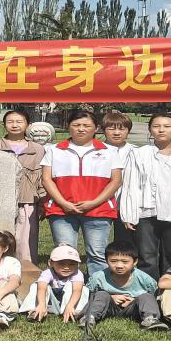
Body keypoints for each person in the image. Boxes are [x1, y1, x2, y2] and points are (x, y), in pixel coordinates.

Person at [119, 113, 171, 279]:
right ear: (150, 130)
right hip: (146, 212)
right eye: (156, 126)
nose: (161, 130)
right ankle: (148, 288)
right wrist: (128, 213)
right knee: (146, 255)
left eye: (167, 126)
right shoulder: (139, 154)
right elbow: (131, 184)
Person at [41, 110, 124, 276]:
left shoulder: (110, 151)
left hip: (99, 210)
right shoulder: (54, 150)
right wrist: (63, 203)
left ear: (96, 128)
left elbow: (116, 181)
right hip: (61, 209)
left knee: (97, 254)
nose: (81, 129)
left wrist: (94, 203)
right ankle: (67, 286)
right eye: (76, 125)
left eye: (86, 125)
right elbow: (46, 179)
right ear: (68, 126)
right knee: (65, 253)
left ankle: (97, 288)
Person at [0, 109, 45, 264]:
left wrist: (43, 201)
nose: (15, 125)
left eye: (19, 122)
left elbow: (43, 178)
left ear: (28, 125)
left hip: (27, 201)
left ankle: (26, 270)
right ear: (4, 124)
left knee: (25, 242)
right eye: (10, 122)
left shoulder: (38, 149)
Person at [83, 241, 167, 331]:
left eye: (125, 262)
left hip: (135, 309)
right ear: (106, 260)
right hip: (108, 309)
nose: (119, 266)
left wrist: (135, 300)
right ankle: (89, 317)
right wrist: (111, 298)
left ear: (135, 262)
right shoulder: (98, 277)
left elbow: (154, 296)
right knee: (101, 294)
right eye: (113, 261)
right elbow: (87, 294)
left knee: (146, 296)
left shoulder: (144, 279)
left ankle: (150, 319)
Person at [19, 244, 88, 323]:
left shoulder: (77, 274)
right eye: (61, 263)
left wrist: (70, 306)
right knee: (36, 286)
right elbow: (42, 288)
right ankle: (35, 310)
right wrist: (41, 304)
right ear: (50, 263)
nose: (67, 267)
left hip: (70, 303)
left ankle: (75, 311)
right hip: (51, 303)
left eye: (72, 264)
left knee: (81, 288)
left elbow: (77, 291)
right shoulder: (48, 272)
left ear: (78, 265)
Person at [101, 110, 137, 245]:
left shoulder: (136, 151)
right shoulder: (96, 150)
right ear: (103, 130)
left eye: (122, 129)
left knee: (124, 240)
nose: (117, 133)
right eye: (111, 129)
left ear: (128, 131)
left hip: (125, 202)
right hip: (101, 201)